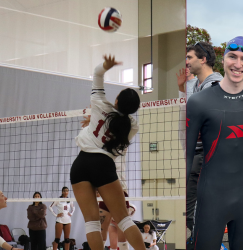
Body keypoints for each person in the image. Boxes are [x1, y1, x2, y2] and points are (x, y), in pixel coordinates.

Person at [186, 36, 243, 250]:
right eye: (232, 57)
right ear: (223, 60)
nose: (238, 64)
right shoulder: (199, 101)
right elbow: (187, 154)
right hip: (212, 196)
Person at [68, 54, 146, 250]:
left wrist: (106, 66)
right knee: (124, 220)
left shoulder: (99, 104)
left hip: (81, 165)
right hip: (103, 165)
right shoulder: (132, 126)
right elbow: (114, 135)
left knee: (92, 223)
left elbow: (97, 73)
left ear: (117, 99)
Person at [177, 42, 224, 239]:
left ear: (203, 59)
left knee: (194, 208)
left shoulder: (214, 85)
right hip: (195, 152)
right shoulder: (197, 84)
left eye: (189, 57)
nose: (186, 61)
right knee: (189, 208)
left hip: (206, 154)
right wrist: (181, 87)